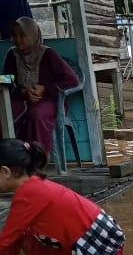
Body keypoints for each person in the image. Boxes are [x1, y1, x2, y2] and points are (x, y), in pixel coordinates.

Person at [0, 139, 126, 255]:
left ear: (5, 172)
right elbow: (11, 237)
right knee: (24, 234)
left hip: (99, 236)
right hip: (87, 233)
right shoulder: (33, 185)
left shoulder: (28, 194)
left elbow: (5, 239)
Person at [2, 17, 80, 155]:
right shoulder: (12, 55)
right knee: (5, 112)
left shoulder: (48, 54)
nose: (17, 39)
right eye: (14, 35)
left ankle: (38, 157)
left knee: (37, 114)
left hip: (50, 101)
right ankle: (12, 156)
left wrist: (45, 88)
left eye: (22, 35)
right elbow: (5, 81)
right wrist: (23, 91)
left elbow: (72, 80)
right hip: (22, 99)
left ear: (32, 35)